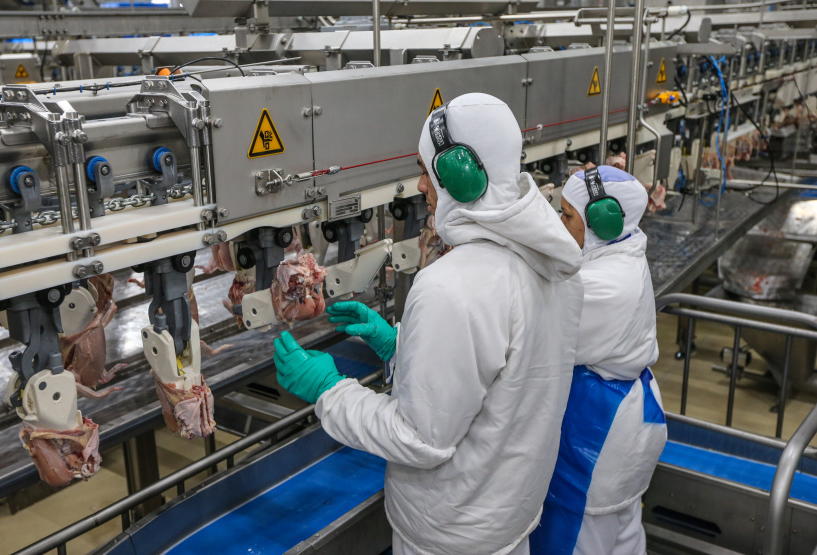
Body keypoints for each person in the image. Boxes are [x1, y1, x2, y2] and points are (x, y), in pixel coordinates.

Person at [273, 93, 585, 555]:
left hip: (449, 535)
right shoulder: (553, 261)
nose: (420, 184)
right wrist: (396, 344)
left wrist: (329, 391)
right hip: (505, 517)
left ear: (461, 174)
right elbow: (500, 375)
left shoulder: (452, 285)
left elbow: (418, 438)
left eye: (427, 169)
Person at [530, 165, 667, 555]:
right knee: (623, 536)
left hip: (598, 434)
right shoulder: (623, 251)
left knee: (575, 540)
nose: (560, 222)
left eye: (568, 215)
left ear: (601, 223)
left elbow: (527, 335)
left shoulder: (605, 286)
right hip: (626, 425)